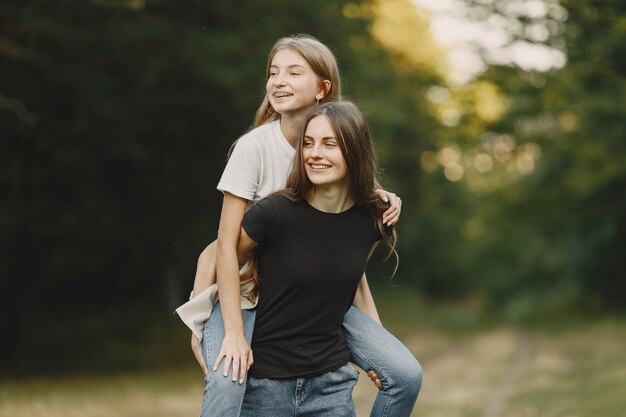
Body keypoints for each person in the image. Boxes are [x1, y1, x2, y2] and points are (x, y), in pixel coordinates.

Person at [175, 35, 422, 417]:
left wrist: (377, 335)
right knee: (226, 382)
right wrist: (208, 323)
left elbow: (343, 252)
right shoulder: (255, 148)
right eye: (273, 73)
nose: (278, 81)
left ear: (323, 88)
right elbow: (223, 246)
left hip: (312, 291)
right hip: (246, 292)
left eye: (293, 72)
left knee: (404, 372)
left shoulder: (329, 150)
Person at [235, 100, 403, 416]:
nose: (314, 154)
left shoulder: (371, 220)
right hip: (266, 386)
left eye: (329, 144)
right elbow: (221, 256)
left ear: (354, 152)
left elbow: (355, 283)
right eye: (308, 144)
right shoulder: (274, 213)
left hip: (331, 385)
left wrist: (379, 353)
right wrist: (206, 326)